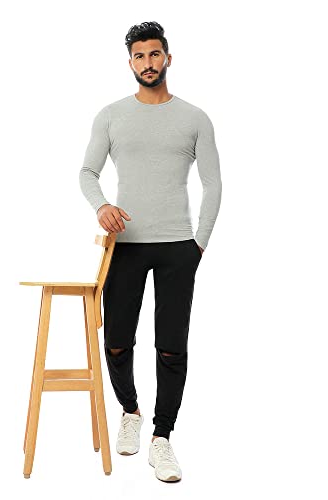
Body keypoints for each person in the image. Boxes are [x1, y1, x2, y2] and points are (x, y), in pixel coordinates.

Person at [79, 21, 222, 482]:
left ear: (168, 58)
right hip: (126, 245)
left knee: (172, 347)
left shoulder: (195, 118)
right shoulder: (111, 115)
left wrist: (200, 241)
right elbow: (87, 172)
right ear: (130, 63)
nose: (148, 62)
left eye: (154, 54)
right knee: (117, 340)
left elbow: (213, 183)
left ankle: (162, 437)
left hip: (179, 245)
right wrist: (101, 207)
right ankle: (130, 411)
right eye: (139, 56)